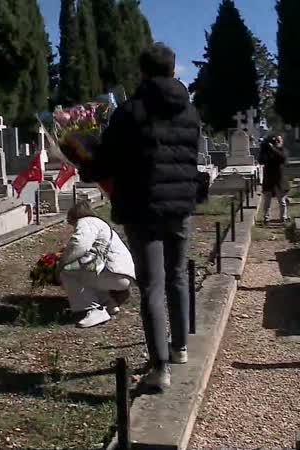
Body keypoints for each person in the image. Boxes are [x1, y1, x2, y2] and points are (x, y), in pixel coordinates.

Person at [75, 42, 201, 392]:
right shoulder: (190, 113)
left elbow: (105, 162)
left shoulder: (129, 113)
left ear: (142, 73)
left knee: (152, 285)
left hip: (142, 207)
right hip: (179, 206)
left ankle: (159, 369)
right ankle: (180, 349)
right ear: (174, 71)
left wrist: (84, 159)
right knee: (177, 277)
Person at [57, 201, 136, 329]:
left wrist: (62, 262)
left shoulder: (86, 222)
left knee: (66, 272)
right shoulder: (99, 223)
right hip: (122, 273)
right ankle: (108, 303)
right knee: (86, 272)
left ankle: (94, 310)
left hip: (112, 272)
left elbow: (79, 244)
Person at [258, 134, 289, 223]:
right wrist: (264, 149)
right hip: (269, 178)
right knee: (267, 201)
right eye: (276, 141)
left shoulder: (282, 150)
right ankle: (266, 218)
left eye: (279, 141)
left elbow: (282, 159)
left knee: (281, 200)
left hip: (279, 179)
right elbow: (261, 160)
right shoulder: (266, 151)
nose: (277, 142)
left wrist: (273, 149)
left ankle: (283, 217)